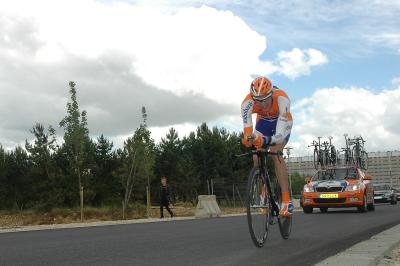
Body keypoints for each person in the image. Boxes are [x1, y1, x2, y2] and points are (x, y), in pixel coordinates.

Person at [241, 76, 294, 217]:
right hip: (263, 122)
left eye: (265, 99)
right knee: (256, 156)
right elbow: (248, 131)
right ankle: (263, 189)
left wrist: (264, 139)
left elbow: (279, 136)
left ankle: (286, 200)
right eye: (258, 100)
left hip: (282, 122)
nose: (262, 103)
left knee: (276, 153)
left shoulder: (282, 99)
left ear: (271, 94)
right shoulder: (247, 103)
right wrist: (248, 139)